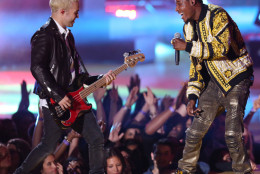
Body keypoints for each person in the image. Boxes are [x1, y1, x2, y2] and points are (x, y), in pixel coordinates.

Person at [14, 0, 116, 173]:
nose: (77, 15)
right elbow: (37, 68)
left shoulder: (68, 35)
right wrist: (58, 95)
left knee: (96, 137)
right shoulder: (44, 35)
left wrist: (100, 79)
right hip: (55, 101)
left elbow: (78, 74)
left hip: (74, 97)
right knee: (48, 145)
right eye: (75, 12)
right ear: (62, 11)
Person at [171, 0, 254, 173]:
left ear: (192, 2)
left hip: (236, 78)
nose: (177, 9)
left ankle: (243, 170)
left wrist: (186, 46)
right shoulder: (188, 28)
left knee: (232, 135)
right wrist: (192, 96)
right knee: (194, 132)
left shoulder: (218, 15)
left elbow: (221, 48)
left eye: (179, 3)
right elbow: (196, 66)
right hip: (213, 83)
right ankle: (185, 170)